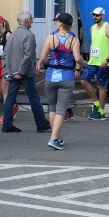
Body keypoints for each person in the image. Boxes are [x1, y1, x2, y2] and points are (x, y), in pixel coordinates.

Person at [37, 12, 86, 150]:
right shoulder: (73, 39)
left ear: (60, 23)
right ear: (70, 24)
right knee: (61, 109)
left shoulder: (51, 37)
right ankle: (54, 138)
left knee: (52, 108)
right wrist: (85, 65)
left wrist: (44, 63)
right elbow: (77, 59)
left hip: (51, 75)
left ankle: (56, 137)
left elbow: (43, 57)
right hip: (66, 76)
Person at [0, 11, 51, 134]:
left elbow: (4, 54)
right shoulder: (29, 35)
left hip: (13, 72)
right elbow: (28, 56)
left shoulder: (12, 35)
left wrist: (7, 70)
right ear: (26, 21)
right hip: (26, 73)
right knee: (34, 99)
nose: (32, 21)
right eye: (31, 19)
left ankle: (7, 124)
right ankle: (41, 123)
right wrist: (21, 71)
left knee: (10, 99)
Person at [80, 6, 109, 120]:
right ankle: (96, 103)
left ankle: (101, 111)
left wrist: (107, 59)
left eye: (97, 15)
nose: (94, 17)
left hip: (103, 62)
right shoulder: (92, 28)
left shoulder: (108, 27)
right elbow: (94, 44)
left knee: (101, 86)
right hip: (93, 61)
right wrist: (90, 57)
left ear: (103, 16)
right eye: (93, 15)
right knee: (83, 80)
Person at [0, 15, 18, 125]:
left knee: (5, 90)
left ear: (1, 23)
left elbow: (12, 49)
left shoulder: (8, 34)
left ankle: (6, 115)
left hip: (5, 63)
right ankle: (14, 106)